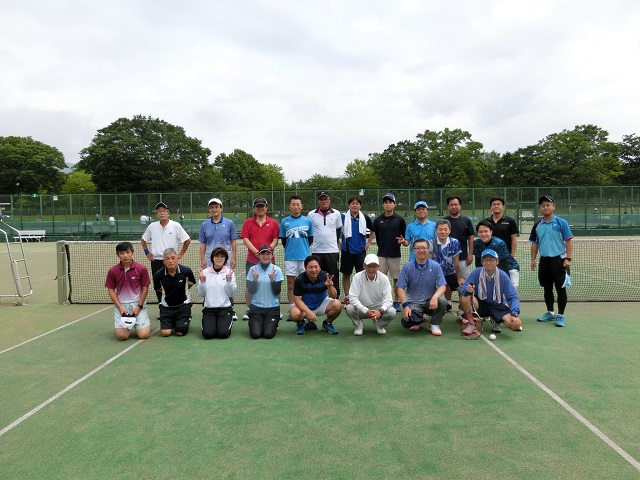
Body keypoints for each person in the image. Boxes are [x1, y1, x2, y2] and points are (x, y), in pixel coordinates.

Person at [530, 195, 574, 328]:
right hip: (544, 261)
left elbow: (568, 240)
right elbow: (534, 243)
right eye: (543, 206)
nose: (545, 207)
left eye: (548, 205)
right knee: (547, 288)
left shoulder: (561, 223)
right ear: (540, 208)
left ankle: (560, 315)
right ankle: (550, 312)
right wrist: (533, 259)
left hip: (559, 261)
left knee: (561, 289)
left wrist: (568, 258)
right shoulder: (537, 225)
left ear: (553, 207)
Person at [141, 201, 191, 308]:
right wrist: (147, 253)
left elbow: (187, 240)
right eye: (159, 211)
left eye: (164, 211)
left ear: (168, 213)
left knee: (174, 283)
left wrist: (180, 254)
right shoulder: (152, 226)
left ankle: (177, 306)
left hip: (171, 261)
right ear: (156, 214)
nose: (162, 213)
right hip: (157, 261)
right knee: (158, 285)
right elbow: (143, 240)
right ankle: (163, 308)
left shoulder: (176, 225)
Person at [459, 249, 522, 333]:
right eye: (486, 260)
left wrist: (514, 313)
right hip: (480, 305)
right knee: (464, 297)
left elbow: (513, 296)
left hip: (497, 305)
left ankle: (495, 318)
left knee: (515, 326)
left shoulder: (503, 276)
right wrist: (467, 289)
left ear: (497, 261)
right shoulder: (476, 273)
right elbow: (464, 288)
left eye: (492, 260)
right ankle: (471, 324)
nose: (489, 263)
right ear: (482, 262)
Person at [396, 238, 447, 336]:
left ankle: (434, 324)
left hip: (430, 302)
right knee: (410, 322)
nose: (421, 250)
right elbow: (400, 288)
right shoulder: (407, 267)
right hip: (414, 302)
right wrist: (405, 306)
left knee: (442, 301)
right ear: (414, 250)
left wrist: (435, 297)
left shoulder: (436, 266)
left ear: (428, 250)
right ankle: (419, 317)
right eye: (418, 248)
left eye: (424, 248)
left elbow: (442, 286)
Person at [198, 197, 238, 320]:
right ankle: (208, 309)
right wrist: (202, 259)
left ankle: (230, 310)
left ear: (221, 208)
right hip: (210, 260)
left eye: (216, 207)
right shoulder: (205, 225)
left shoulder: (229, 223)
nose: (214, 209)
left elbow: (233, 241)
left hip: (226, 259)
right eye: (212, 207)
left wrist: (233, 257)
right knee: (209, 282)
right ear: (209, 209)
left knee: (227, 281)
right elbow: (203, 243)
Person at [240, 197, 280, 320]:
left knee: (273, 284)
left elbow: (275, 240)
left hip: (269, 261)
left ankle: (276, 309)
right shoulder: (247, 223)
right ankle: (250, 309)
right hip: (252, 260)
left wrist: (267, 252)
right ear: (254, 208)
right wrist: (256, 252)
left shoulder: (274, 223)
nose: (260, 208)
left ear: (266, 208)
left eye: (262, 206)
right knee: (250, 286)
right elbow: (245, 239)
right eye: (258, 206)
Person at [105, 241, 151, 341]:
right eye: (122, 253)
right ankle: (125, 327)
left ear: (132, 253)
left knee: (144, 335)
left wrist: (139, 306)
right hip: (122, 306)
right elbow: (111, 290)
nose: (125, 256)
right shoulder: (113, 271)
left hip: (138, 305)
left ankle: (140, 323)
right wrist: (120, 307)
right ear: (118, 255)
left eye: (127, 252)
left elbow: (145, 288)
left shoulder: (141, 268)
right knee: (122, 336)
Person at [369, 192, 407, 312]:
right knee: (379, 279)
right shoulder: (377, 220)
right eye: (386, 202)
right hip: (381, 255)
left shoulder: (400, 220)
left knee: (396, 279)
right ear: (383, 205)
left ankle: (396, 301)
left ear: (394, 204)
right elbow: (377, 237)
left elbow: (403, 238)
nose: (388, 204)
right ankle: (381, 301)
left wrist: (403, 242)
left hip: (395, 255)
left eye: (390, 202)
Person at [289, 254, 342, 335]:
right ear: (305, 268)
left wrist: (330, 287)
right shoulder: (299, 279)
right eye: (310, 267)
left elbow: (334, 296)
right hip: (305, 307)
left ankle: (327, 323)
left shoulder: (325, 276)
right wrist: (309, 313)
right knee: (294, 313)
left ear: (320, 267)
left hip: (321, 304)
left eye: (316, 267)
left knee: (337, 304)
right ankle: (301, 323)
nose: (313, 270)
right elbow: (297, 300)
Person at [345, 254, 396, 335]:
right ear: (364, 266)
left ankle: (379, 325)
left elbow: (388, 300)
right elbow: (352, 298)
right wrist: (366, 310)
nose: (371, 269)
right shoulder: (357, 277)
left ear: (378, 267)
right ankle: (358, 325)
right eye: (369, 266)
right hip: (361, 309)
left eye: (374, 266)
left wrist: (380, 312)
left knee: (392, 312)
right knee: (349, 308)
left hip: (378, 309)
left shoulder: (384, 278)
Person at [279, 195, 314, 309]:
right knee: (291, 285)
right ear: (290, 207)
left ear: (301, 206)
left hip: (304, 258)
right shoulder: (284, 222)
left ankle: (305, 308)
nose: (296, 207)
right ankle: (292, 308)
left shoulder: (308, 221)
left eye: (298, 204)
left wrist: (303, 249)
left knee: (305, 284)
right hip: (290, 258)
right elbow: (284, 240)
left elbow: (310, 239)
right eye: (293, 204)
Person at [197, 247, 237, 339]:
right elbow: (201, 294)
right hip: (209, 309)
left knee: (223, 334)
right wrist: (202, 282)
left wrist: (229, 282)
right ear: (212, 258)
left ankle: (228, 318)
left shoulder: (229, 272)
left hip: (225, 309)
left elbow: (231, 294)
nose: (219, 258)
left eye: (222, 256)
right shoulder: (205, 272)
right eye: (217, 256)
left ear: (225, 259)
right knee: (208, 334)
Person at [154, 248, 196, 337]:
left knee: (180, 332)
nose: (170, 261)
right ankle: (173, 321)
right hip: (166, 306)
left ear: (177, 259)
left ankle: (185, 320)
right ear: (164, 261)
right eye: (167, 259)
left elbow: (191, 283)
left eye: (173, 258)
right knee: (165, 333)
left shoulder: (186, 271)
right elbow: (158, 288)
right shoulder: (158, 275)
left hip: (183, 305)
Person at [443, 195, 474, 313]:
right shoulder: (444, 222)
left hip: (462, 258)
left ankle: (462, 307)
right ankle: (448, 302)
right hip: (446, 259)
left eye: (456, 204)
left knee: (463, 282)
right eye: (451, 205)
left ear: (460, 206)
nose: (454, 207)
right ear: (448, 206)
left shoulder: (466, 221)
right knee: (446, 282)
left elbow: (471, 238)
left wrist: (470, 254)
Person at [308, 191, 343, 297]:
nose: (324, 201)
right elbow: (310, 231)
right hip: (317, 251)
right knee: (317, 276)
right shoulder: (311, 214)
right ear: (318, 201)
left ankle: (335, 298)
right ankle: (319, 298)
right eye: (321, 199)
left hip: (332, 251)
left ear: (329, 200)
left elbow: (338, 230)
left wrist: (335, 242)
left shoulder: (336, 213)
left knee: (333, 276)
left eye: (325, 199)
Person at [245, 245, 284, 339]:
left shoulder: (277, 270)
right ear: (259, 255)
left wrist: (272, 280)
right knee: (255, 334)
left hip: (272, 309)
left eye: (268, 254)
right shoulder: (253, 269)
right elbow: (251, 291)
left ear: (272, 255)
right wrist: (255, 280)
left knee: (268, 334)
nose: (265, 256)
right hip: (256, 308)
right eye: (263, 254)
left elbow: (277, 291)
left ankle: (274, 323)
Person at [340, 195, 373, 302]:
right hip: (347, 251)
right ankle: (347, 296)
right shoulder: (343, 217)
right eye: (353, 203)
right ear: (349, 205)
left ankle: (361, 296)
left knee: (362, 275)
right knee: (346, 274)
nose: (355, 205)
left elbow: (373, 230)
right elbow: (335, 229)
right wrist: (337, 242)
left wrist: (369, 242)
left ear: (360, 206)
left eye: (357, 204)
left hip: (360, 252)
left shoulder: (365, 217)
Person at [474, 220, 520, 289]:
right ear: (477, 233)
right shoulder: (476, 243)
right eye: (481, 232)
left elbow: (503, 265)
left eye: (486, 231)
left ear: (491, 232)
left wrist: (505, 283)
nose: (483, 234)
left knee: (511, 290)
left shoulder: (499, 243)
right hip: (490, 268)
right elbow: (478, 263)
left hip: (509, 268)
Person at [431, 219, 463, 314]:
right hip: (435, 273)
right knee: (426, 289)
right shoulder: (431, 243)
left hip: (450, 272)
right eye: (440, 229)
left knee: (462, 289)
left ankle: (462, 309)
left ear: (449, 231)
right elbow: (429, 262)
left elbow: (456, 262)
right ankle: (425, 311)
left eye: (445, 229)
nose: (443, 232)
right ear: (436, 230)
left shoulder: (455, 242)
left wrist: (459, 278)